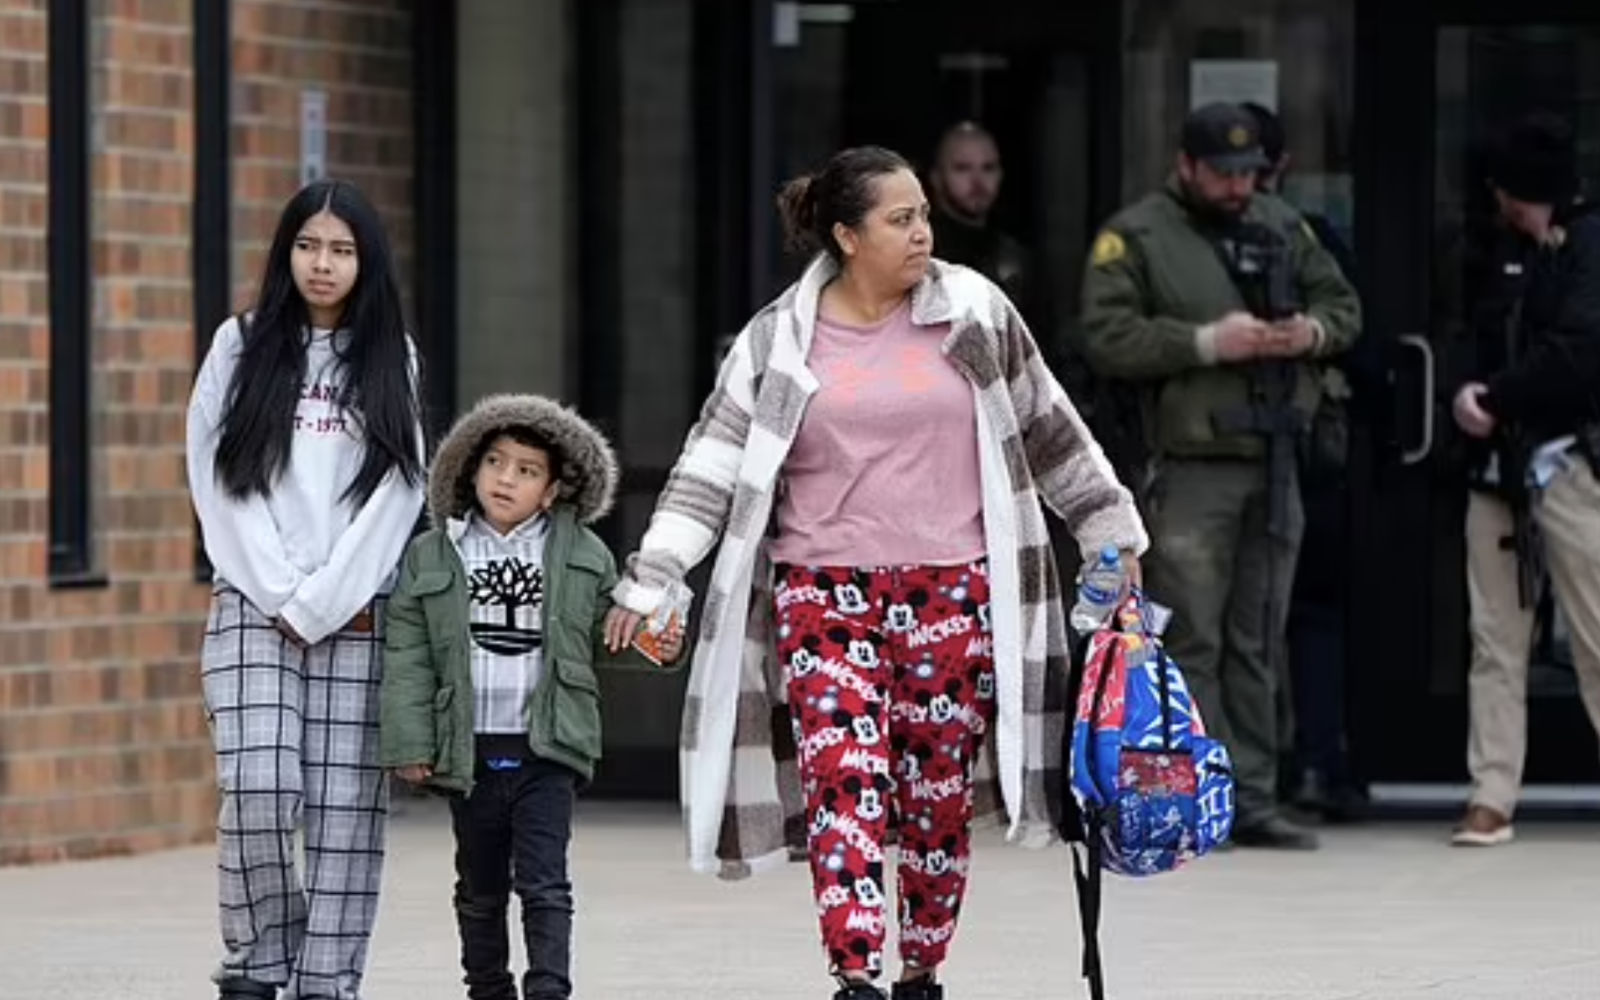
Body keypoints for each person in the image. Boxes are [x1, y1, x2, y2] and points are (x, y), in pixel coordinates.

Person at [602, 145, 1147, 1000]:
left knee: (934, 801)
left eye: (925, 214)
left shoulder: (973, 311)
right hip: (822, 592)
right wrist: (657, 571)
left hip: (952, 590)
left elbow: (1051, 429)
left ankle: (921, 968)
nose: (923, 232)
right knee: (844, 782)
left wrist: (1111, 531)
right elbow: (710, 463)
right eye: (902, 219)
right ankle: (854, 974)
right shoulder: (778, 340)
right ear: (848, 236)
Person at [1076, 102, 1362, 850]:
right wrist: (1207, 342)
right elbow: (1107, 337)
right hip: (1189, 465)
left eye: (1248, 174)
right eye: (1223, 173)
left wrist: (1311, 333)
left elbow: (1344, 305)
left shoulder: (1279, 221)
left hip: (1274, 460)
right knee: (1193, 639)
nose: (1238, 188)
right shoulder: (1135, 234)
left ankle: (1257, 796)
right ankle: (1197, 798)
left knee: (1259, 636)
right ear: (1186, 166)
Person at [186, 179, 427, 1000]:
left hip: (357, 615)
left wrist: (328, 599)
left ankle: (325, 983)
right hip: (254, 610)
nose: (322, 264)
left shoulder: (391, 357)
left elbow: (400, 491)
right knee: (261, 786)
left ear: (367, 262)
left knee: (343, 821)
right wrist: (283, 593)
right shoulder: (240, 345)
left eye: (342, 250)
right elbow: (217, 479)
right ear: (286, 254)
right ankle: (258, 964)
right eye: (308, 246)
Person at [379, 393, 684, 1000]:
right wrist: (412, 744)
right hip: (469, 750)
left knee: (545, 882)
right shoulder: (435, 554)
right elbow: (408, 656)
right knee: (479, 884)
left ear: (551, 492)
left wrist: (659, 640)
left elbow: (609, 638)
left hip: (549, 749)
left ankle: (549, 988)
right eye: (495, 462)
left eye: (526, 470)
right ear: (471, 469)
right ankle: (487, 987)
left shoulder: (582, 557)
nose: (506, 478)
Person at [1449, 112, 1600, 847]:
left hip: (1575, 466)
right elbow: (1464, 339)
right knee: (1495, 639)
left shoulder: (1589, 247)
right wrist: (1468, 398)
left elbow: (1582, 352)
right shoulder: (1495, 253)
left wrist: (1499, 396)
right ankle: (1493, 793)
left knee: (1597, 635)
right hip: (1500, 471)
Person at [1240, 100, 1371, 822]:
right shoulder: (1172, 239)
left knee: (1297, 616)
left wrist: (1308, 332)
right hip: (1220, 453)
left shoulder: (1304, 238)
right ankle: (1277, 770)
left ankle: (1314, 762)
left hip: (1301, 450)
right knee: (1244, 623)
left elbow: (1350, 324)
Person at [926, 122, 1038, 324]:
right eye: (962, 168)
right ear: (937, 177)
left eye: (988, 168)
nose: (978, 182)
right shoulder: (917, 255)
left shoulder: (1016, 259)